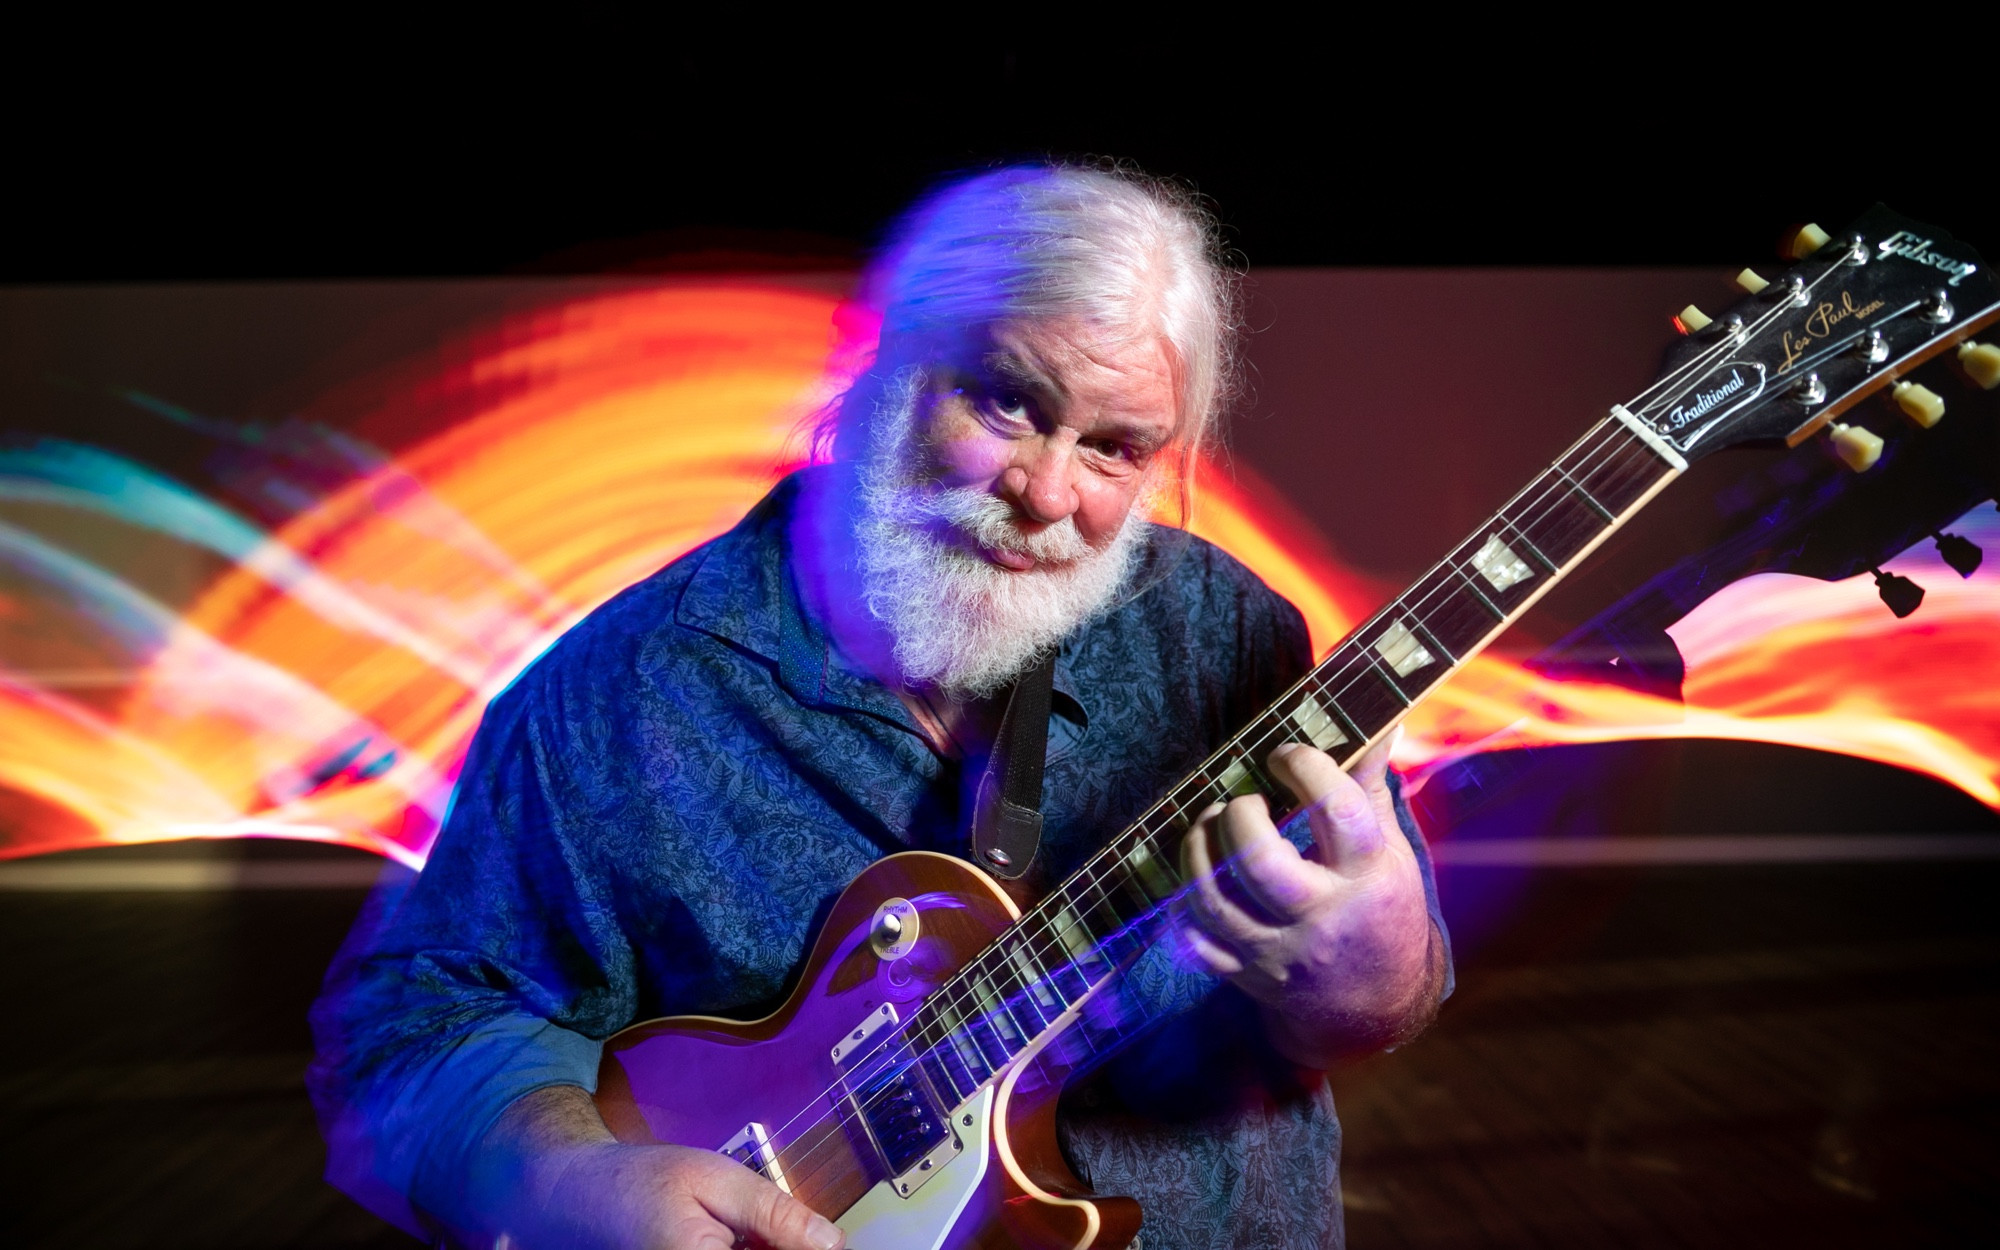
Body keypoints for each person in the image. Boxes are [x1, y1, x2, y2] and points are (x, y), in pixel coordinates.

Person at [310, 162, 1452, 1250]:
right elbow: (412, 1024)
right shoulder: (621, 691)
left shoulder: (1228, 634)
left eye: (1111, 448)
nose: (1047, 493)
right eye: (1005, 403)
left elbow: (1360, 1002)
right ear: (877, 364)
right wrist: (563, 1177)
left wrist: (1382, 966)